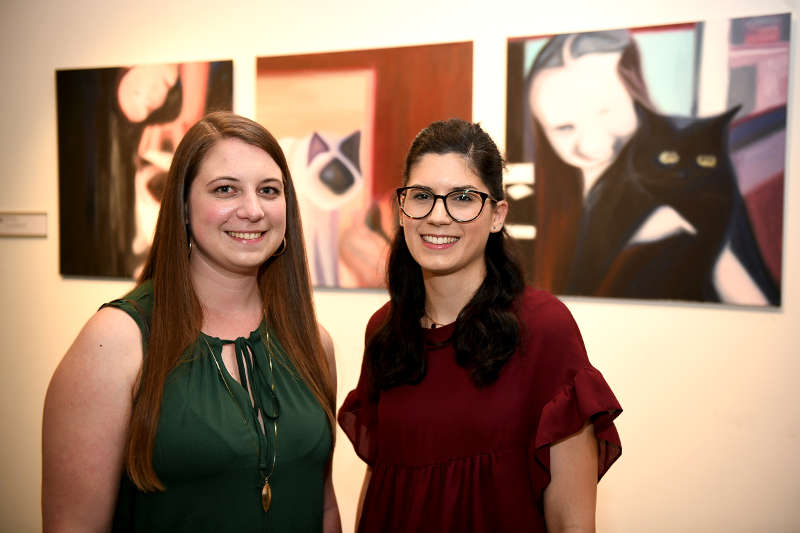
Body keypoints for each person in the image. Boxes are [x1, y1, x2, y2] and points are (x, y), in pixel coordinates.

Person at [42, 111, 342, 532]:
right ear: (183, 207)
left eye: (269, 190)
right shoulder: (115, 341)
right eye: (225, 189)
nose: (253, 210)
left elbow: (324, 505)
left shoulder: (313, 343)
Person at [338, 118, 622, 532]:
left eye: (463, 198)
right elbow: (382, 481)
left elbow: (570, 520)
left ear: (496, 215)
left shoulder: (544, 329)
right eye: (421, 197)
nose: (438, 216)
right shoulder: (385, 330)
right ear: (402, 209)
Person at [525, 30, 779, 305]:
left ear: (638, 97)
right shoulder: (553, 200)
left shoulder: (691, 182)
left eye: (606, 112)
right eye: (564, 128)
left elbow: (754, 307)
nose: (592, 143)